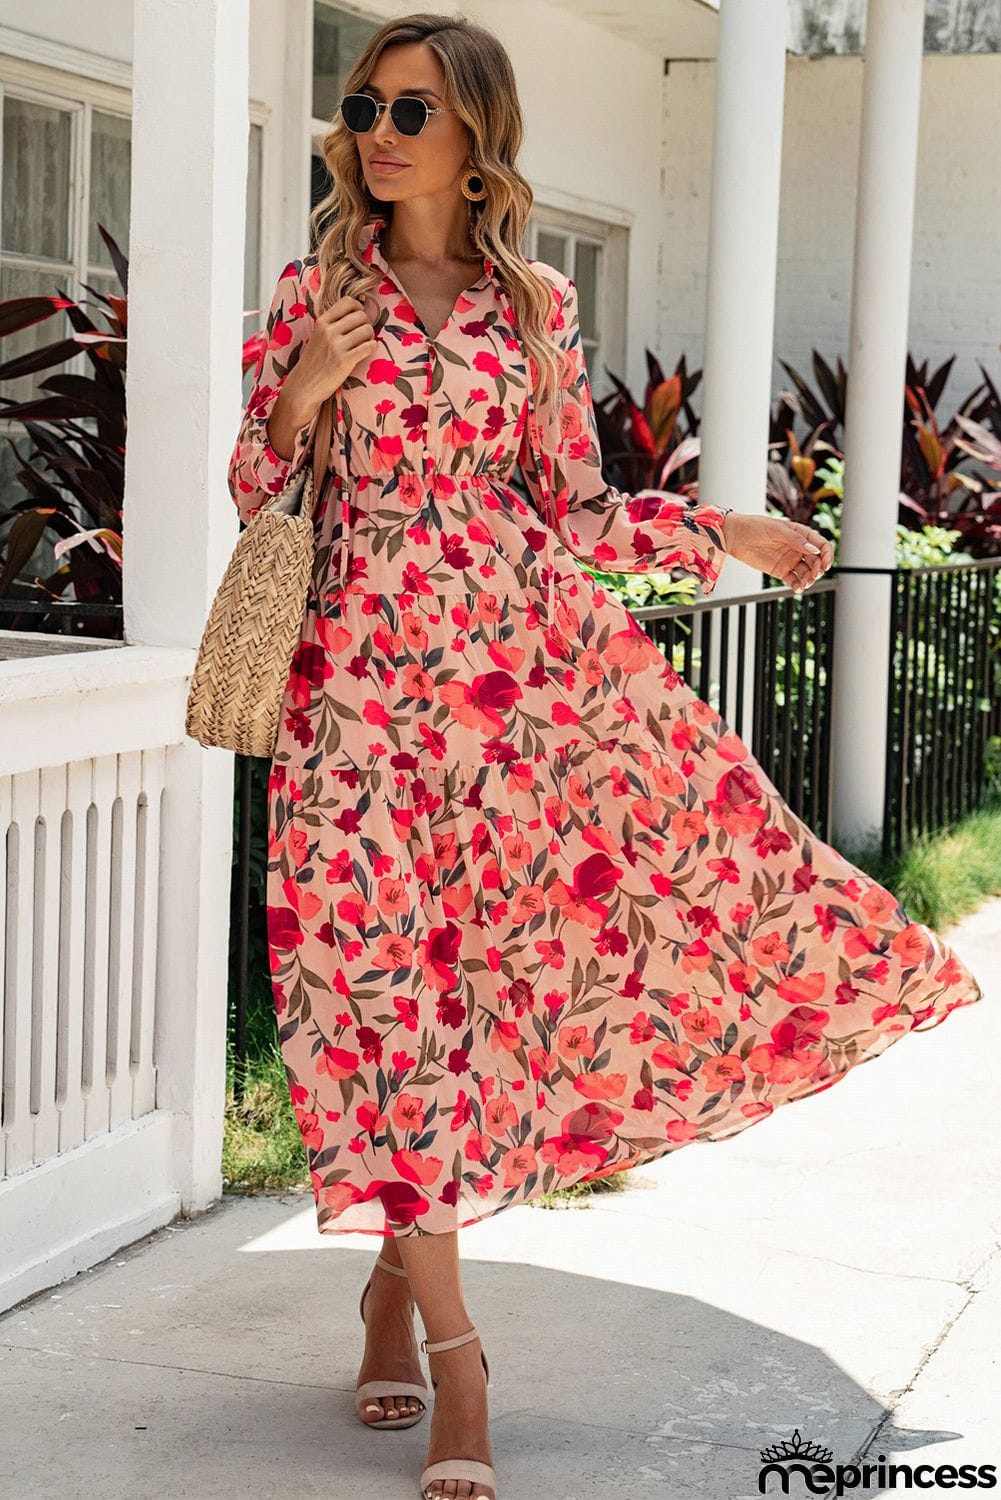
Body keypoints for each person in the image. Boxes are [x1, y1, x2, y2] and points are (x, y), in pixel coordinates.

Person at [226, 14, 984, 1500]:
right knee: (379, 998)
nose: (378, 130)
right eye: (365, 105)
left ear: (474, 138)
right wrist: (307, 388)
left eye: (411, 110)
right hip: (352, 714)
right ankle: (457, 1357)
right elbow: (256, 488)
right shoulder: (312, 292)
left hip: (513, 707)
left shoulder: (534, 311)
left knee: (486, 996)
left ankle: (393, 1279)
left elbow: (566, 512)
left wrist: (719, 526)